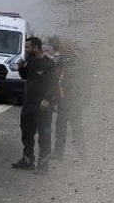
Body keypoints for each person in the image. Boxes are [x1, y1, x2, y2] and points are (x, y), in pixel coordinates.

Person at [13, 36, 57, 172]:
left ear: (36, 48)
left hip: (43, 106)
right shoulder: (30, 61)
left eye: (27, 47)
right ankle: (27, 160)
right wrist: (21, 68)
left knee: (44, 136)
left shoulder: (49, 64)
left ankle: (43, 165)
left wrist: (47, 100)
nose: (25, 50)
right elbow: (26, 76)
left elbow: (53, 84)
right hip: (29, 104)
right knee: (26, 132)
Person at [52, 39, 84, 159]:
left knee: (76, 128)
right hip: (62, 100)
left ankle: (82, 154)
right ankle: (58, 153)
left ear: (69, 48)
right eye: (60, 48)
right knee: (60, 127)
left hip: (73, 100)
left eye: (62, 48)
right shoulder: (61, 61)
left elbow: (79, 81)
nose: (60, 51)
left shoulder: (78, 62)